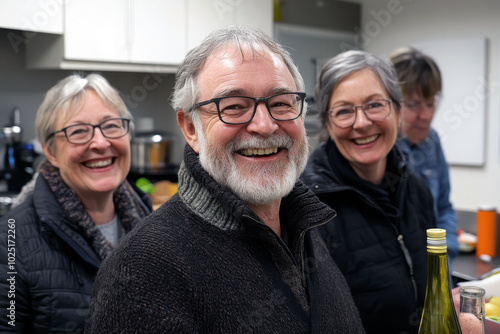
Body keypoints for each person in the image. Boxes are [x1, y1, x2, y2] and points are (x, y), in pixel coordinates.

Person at [84, 26, 365, 334]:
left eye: (281, 103)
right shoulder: (142, 272)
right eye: (233, 107)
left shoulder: (305, 229)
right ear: (191, 128)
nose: (265, 125)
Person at [0, 73, 152, 333]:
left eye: (112, 126)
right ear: (50, 152)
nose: (101, 143)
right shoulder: (9, 241)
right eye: (79, 131)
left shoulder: (149, 223)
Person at [300, 50, 436, 333]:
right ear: (328, 123)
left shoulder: (417, 192)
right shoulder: (306, 209)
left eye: (374, 105)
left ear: (397, 112)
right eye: (344, 111)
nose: (361, 123)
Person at [390, 47, 459, 265]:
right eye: (413, 105)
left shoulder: (432, 141)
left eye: (431, 104)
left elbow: (443, 207)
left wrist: (445, 255)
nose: (426, 115)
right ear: (389, 102)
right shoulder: (380, 149)